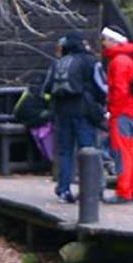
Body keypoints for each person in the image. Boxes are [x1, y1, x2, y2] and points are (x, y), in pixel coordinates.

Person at [42, 32, 105, 203]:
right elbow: (102, 87)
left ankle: (63, 190)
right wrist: (102, 105)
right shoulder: (90, 62)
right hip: (84, 111)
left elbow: (47, 88)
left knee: (65, 152)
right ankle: (91, 190)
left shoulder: (57, 63)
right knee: (88, 150)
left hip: (62, 112)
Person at [101, 27, 133, 204]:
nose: (103, 42)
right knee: (129, 151)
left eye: (105, 39)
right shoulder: (127, 59)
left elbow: (119, 90)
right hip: (130, 111)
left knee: (121, 152)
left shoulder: (118, 61)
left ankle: (124, 191)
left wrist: (112, 110)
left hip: (121, 113)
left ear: (114, 41)